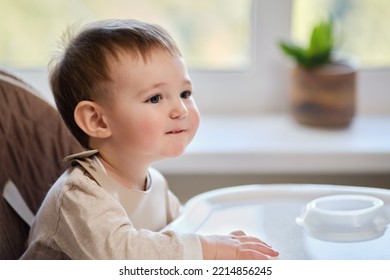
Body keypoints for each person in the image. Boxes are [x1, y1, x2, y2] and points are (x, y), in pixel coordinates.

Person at [21, 19, 279, 260]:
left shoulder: (156, 185)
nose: (181, 109)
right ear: (98, 120)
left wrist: (222, 242)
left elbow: (183, 230)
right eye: (155, 98)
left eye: (185, 93)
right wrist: (208, 249)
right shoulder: (78, 196)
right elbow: (123, 255)